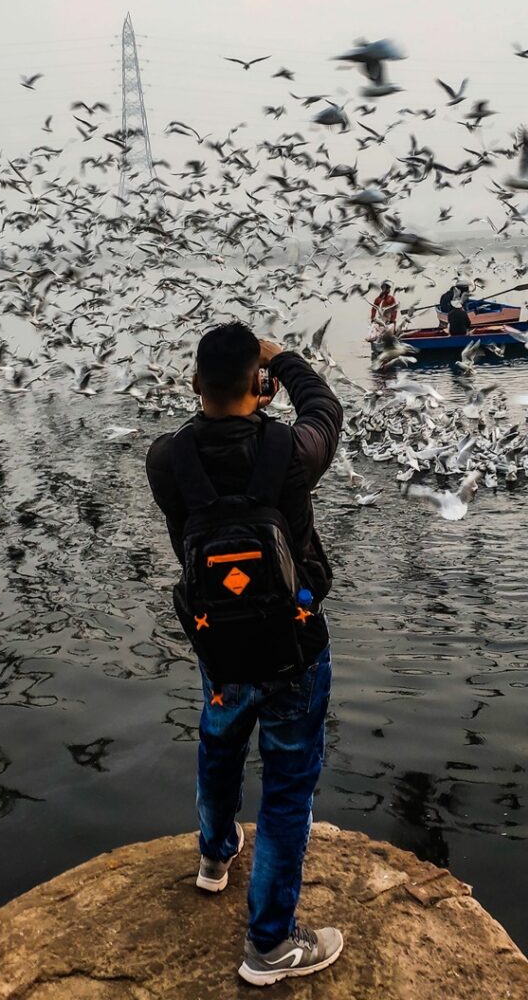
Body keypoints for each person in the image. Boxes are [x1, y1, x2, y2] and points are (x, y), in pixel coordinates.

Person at [146, 322, 344, 986]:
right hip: (295, 643)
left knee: (219, 742)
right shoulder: (290, 449)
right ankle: (269, 946)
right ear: (259, 388)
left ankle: (213, 859)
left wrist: (232, 387)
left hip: (218, 642)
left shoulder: (165, 460)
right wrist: (281, 359)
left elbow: (199, 446)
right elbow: (325, 409)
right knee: (286, 790)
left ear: (195, 384)